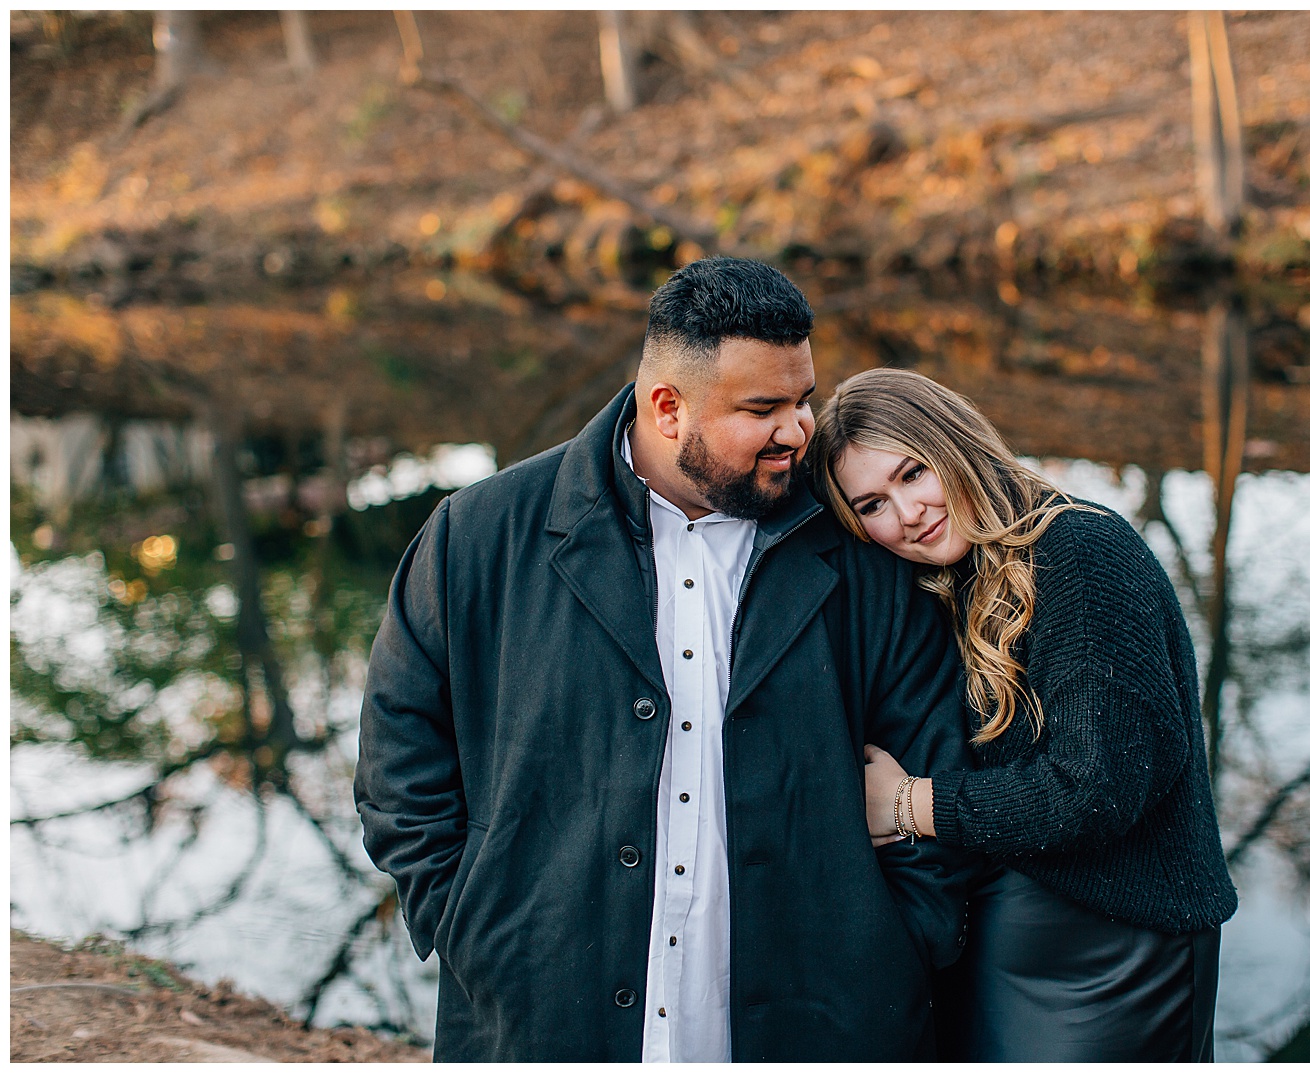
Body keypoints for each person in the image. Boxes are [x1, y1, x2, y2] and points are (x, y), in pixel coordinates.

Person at [354, 259, 977, 1062]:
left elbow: (941, 755)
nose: (798, 430)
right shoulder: (477, 536)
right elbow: (398, 760)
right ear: (668, 406)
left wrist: (896, 949)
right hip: (541, 1021)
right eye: (764, 407)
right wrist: (474, 924)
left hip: (820, 1026)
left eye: (803, 399)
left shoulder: (861, 548)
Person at [812, 367, 1238, 1062]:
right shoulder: (956, 574)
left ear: (955, 443)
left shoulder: (1080, 551)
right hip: (1010, 928)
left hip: (1120, 946)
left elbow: (1094, 786)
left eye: (913, 473)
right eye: (872, 504)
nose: (907, 511)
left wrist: (908, 805)